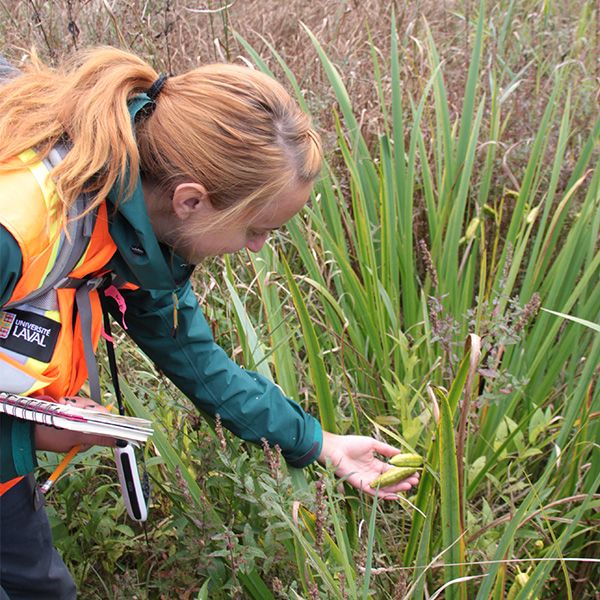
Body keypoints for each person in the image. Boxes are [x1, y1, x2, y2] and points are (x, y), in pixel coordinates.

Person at [0, 47, 419, 598]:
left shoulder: (136, 232)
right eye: (257, 229)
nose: (257, 248)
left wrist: (319, 443)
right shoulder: (19, 228)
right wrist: (26, 438)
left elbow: (199, 363)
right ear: (191, 200)